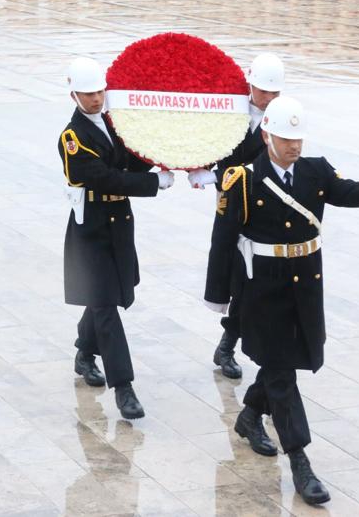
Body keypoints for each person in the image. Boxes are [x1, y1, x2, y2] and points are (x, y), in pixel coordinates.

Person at [204, 95, 359, 505]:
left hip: (304, 284)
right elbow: (223, 239)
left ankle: (249, 417)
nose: (293, 146)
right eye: (285, 138)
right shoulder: (243, 179)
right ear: (266, 135)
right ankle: (300, 461)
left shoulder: (315, 171)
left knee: (288, 359)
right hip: (262, 287)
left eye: (298, 138)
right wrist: (219, 297)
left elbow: (349, 193)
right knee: (281, 372)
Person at [59, 57, 174, 420]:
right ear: (73, 94)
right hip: (91, 227)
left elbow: (129, 161)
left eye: (99, 92)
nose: (96, 99)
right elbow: (106, 178)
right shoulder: (72, 138)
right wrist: (153, 184)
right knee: (107, 306)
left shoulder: (112, 123)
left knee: (108, 297)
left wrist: (164, 160)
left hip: (119, 223)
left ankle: (83, 352)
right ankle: (123, 387)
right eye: (88, 93)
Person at [189, 52, 285, 379]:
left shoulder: (283, 119)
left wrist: (215, 175)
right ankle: (228, 344)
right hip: (232, 204)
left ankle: (228, 344)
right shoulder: (228, 111)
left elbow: (268, 166)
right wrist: (198, 165)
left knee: (252, 278)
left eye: (275, 93)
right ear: (249, 84)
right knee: (234, 275)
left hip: (265, 205)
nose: (269, 99)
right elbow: (208, 142)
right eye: (263, 91)